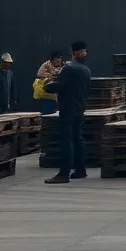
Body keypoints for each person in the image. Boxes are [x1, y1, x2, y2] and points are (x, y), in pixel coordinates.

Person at [44, 41, 91, 184]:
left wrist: (47, 86)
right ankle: (80, 170)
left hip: (67, 109)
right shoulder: (86, 70)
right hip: (79, 109)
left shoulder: (68, 68)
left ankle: (64, 173)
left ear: (73, 53)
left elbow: (59, 86)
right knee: (78, 140)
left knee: (67, 140)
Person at [35, 51, 65, 115]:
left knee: (54, 111)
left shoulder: (62, 66)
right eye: (57, 60)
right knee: (46, 112)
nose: (59, 62)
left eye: (60, 60)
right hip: (46, 94)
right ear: (53, 59)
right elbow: (39, 74)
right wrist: (52, 76)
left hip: (55, 95)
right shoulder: (46, 65)